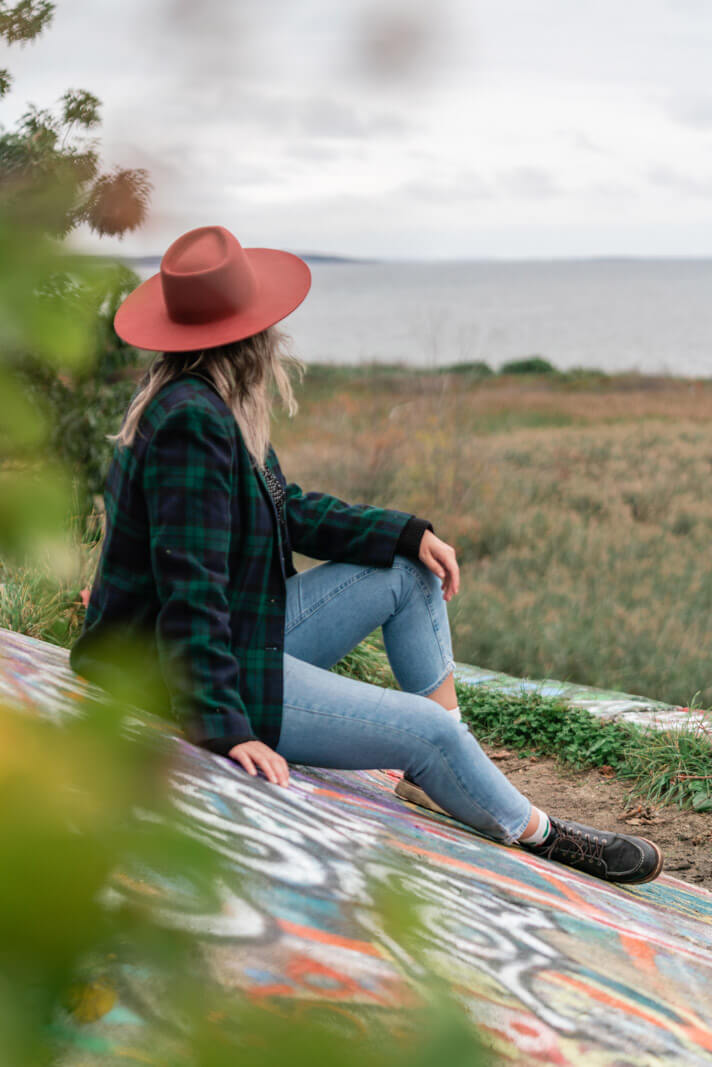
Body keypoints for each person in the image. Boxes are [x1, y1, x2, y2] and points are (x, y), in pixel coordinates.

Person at [70, 224, 663, 886]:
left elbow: (285, 508)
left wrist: (406, 532)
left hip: (244, 636)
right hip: (184, 675)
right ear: (251, 332)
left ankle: (443, 772)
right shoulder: (191, 422)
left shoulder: (211, 400)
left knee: (411, 573)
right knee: (426, 733)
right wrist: (225, 728)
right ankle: (541, 831)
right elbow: (192, 588)